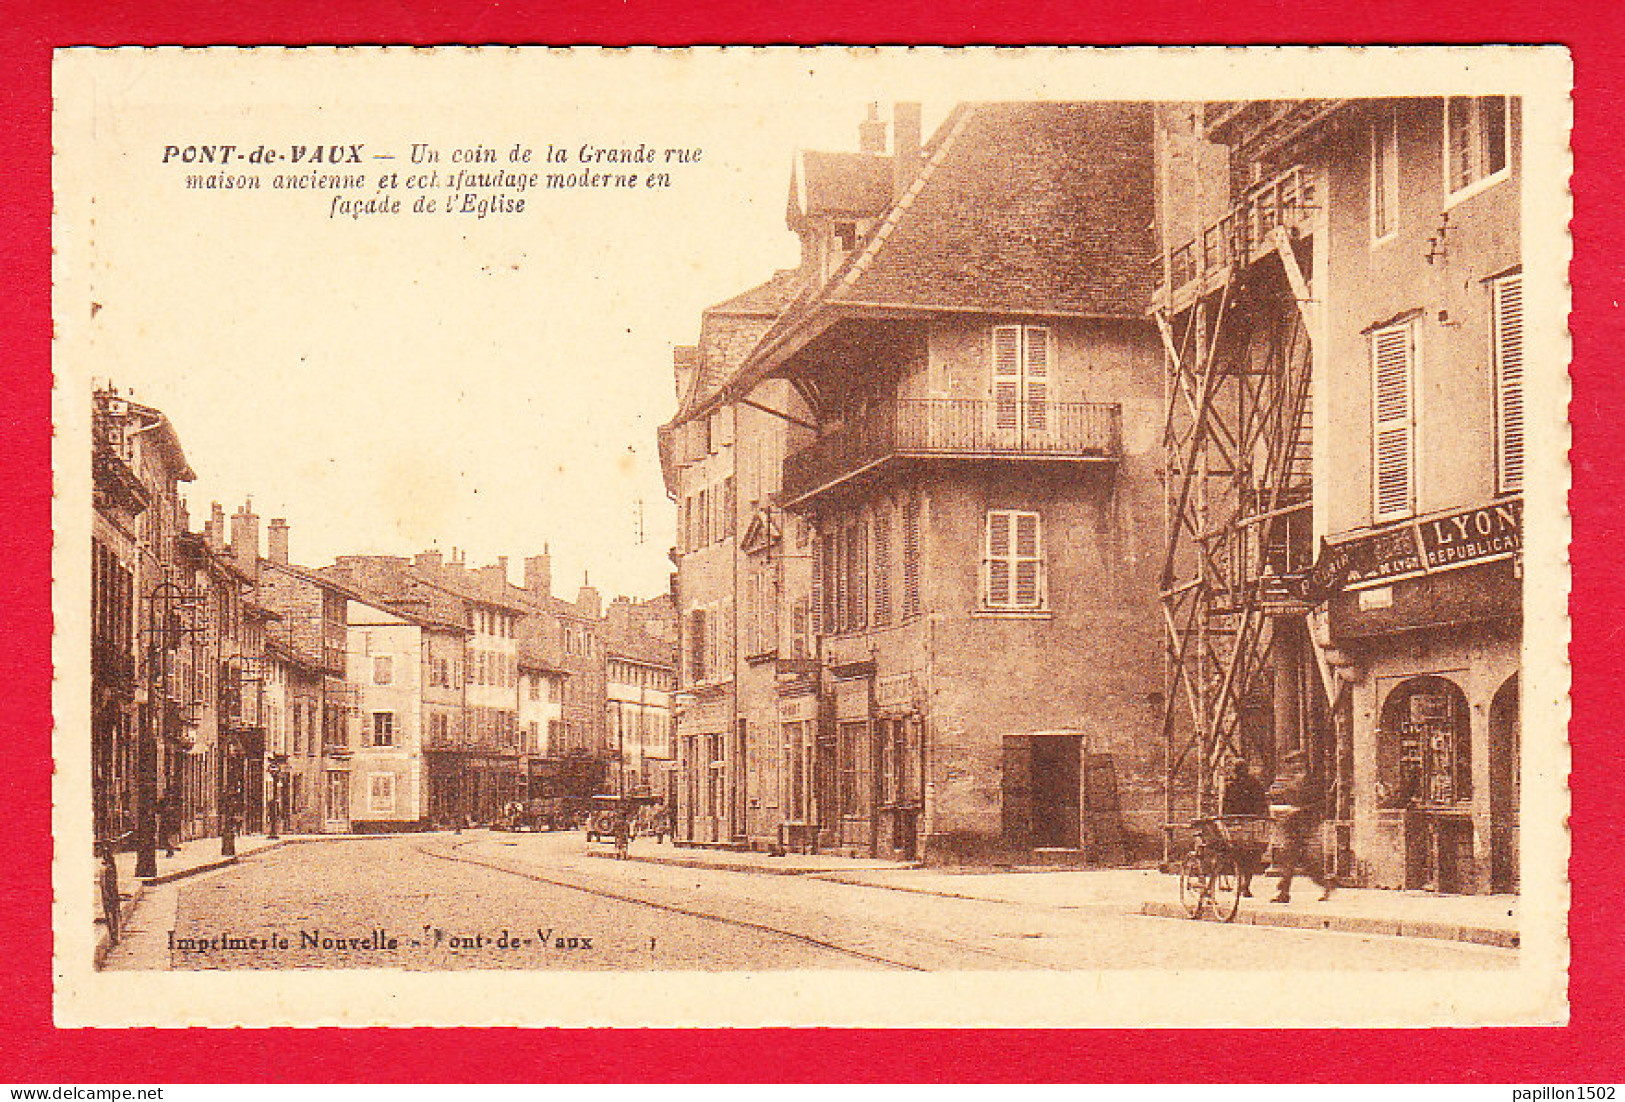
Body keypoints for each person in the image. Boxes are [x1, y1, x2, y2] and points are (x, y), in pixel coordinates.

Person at [1272, 751, 1335, 903]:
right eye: (1292, 764)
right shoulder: (1292, 782)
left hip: (1308, 824)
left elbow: (1321, 803)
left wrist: (1301, 809)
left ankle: (1326, 885)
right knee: (1290, 859)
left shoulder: (1313, 781)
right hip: (1293, 825)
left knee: (1307, 862)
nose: (1295, 767)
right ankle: (1284, 891)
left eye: (1297, 763)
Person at [1220, 758, 1268, 897]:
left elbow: (1225, 806)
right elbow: (1262, 804)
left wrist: (1226, 821)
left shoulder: (1231, 785)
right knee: (1251, 855)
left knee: (1239, 854)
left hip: (1238, 824)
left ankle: (1243, 883)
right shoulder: (1255, 784)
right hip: (1252, 823)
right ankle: (1245, 884)